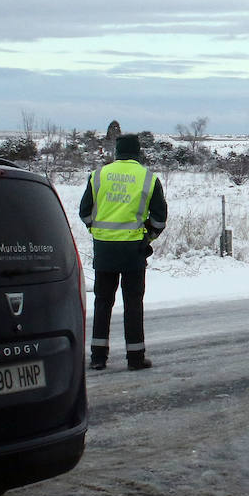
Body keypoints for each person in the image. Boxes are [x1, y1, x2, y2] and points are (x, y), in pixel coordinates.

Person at [79, 133, 166, 371]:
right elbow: (159, 219)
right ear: (138, 153)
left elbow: (85, 212)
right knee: (133, 304)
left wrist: (97, 231)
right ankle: (135, 358)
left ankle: (98, 357)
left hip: (104, 250)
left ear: (116, 153)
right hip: (133, 251)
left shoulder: (98, 176)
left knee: (103, 302)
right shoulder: (148, 179)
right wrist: (147, 235)